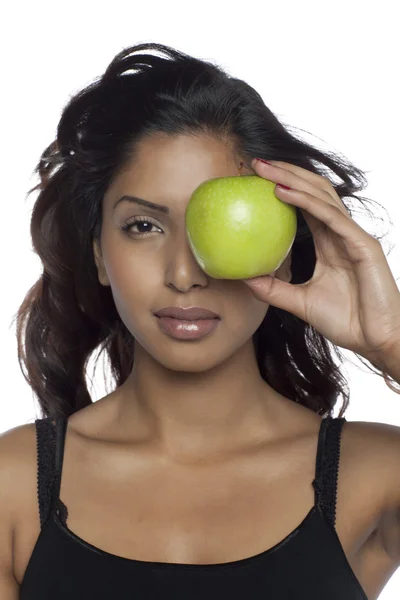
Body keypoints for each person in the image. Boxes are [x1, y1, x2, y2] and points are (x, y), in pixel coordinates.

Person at [1, 41, 400, 599]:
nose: (185, 274)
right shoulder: (12, 485)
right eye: (144, 225)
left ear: (283, 249)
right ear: (98, 254)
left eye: (223, 227)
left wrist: (392, 344)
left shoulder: (376, 474)